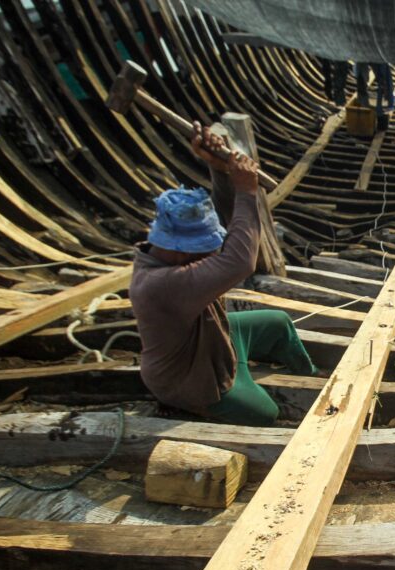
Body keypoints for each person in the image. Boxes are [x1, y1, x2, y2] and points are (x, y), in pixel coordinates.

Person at [130, 122, 319, 427]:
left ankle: (311, 377)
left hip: (216, 340)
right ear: (181, 250)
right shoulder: (162, 285)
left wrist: (219, 170)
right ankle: (192, 408)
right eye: (204, 248)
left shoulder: (165, 256)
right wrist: (247, 190)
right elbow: (240, 261)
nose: (211, 252)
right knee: (265, 413)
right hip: (193, 380)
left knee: (279, 323)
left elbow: (226, 225)